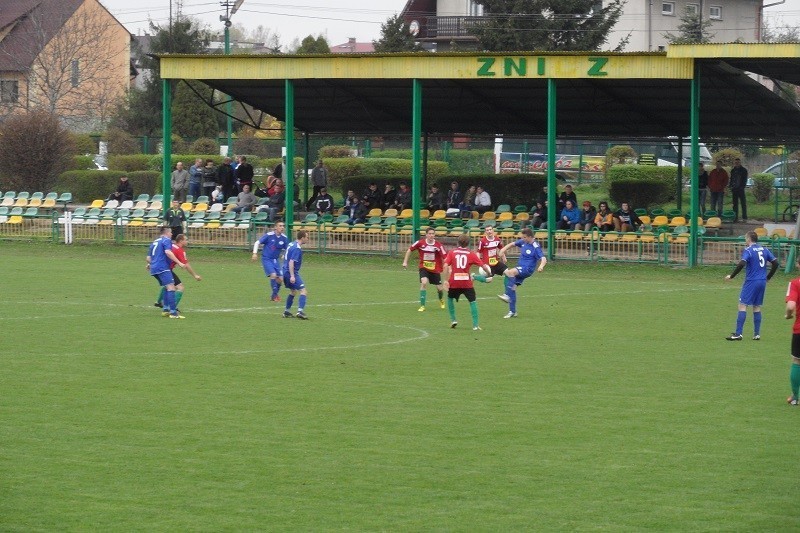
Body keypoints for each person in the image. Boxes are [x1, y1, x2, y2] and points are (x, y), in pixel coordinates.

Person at [724, 231, 778, 341]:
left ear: (748, 239)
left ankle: (738, 334)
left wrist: (732, 276)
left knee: (742, 305)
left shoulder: (748, 250)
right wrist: (768, 277)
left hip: (751, 281)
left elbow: (742, 263)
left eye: (745, 238)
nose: (745, 240)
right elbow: (776, 263)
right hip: (762, 281)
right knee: (757, 306)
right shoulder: (764, 249)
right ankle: (756, 334)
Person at [442, 233, 491, 331]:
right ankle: (475, 325)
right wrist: (488, 273)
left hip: (454, 282)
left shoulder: (452, 252)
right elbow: (483, 266)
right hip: (466, 283)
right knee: (472, 302)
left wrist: (445, 280)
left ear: (457, 242)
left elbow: (445, 266)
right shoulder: (471, 254)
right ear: (468, 244)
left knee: (450, 298)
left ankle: (453, 320)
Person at [497, 227, 547, 318]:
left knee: (509, 272)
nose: (522, 239)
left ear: (530, 237)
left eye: (524, 237)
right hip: (520, 268)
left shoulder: (535, 246)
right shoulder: (524, 242)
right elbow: (512, 244)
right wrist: (503, 250)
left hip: (527, 269)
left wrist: (541, 266)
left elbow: (543, 258)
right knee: (512, 287)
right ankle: (512, 312)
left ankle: (507, 295)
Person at [402, 227, 447, 312]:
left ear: (434, 235)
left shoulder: (438, 245)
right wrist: (405, 262)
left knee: (439, 288)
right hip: (424, 267)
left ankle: (441, 300)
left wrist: (447, 266)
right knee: (424, 282)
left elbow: (445, 257)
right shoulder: (420, 243)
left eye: (432, 234)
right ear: (426, 235)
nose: (431, 235)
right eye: (429, 234)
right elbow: (409, 250)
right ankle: (422, 306)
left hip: (435, 269)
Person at [146, 226, 187, 319]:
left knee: (167, 287)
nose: (172, 234)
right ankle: (173, 313)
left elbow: (148, 258)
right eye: (171, 232)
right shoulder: (166, 240)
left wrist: (151, 264)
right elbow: (168, 252)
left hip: (154, 268)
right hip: (163, 268)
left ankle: (165, 310)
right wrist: (179, 262)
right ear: (166, 233)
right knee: (171, 288)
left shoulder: (155, 242)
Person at [154, 233, 202, 312]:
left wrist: (150, 263)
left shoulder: (171, 246)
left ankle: (159, 302)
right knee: (180, 287)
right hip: (166, 269)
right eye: (186, 240)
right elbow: (186, 265)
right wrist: (195, 275)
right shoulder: (179, 250)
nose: (187, 241)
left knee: (168, 285)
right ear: (181, 241)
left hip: (158, 268)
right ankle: (172, 307)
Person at [252, 221, 289, 302]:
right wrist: (255, 253)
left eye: (283, 226)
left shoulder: (284, 238)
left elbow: (288, 249)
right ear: (275, 227)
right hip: (266, 258)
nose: (282, 227)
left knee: (280, 279)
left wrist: (284, 254)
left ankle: (273, 295)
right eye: (280, 226)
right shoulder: (269, 236)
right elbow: (257, 243)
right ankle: (275, 296)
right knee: (273, 274)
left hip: (276, 260)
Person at [783, 255, 800, 405]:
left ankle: (795, 396)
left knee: (797, 360)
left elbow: (790, 306)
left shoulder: (795, 283)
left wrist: (788, 315)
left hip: (799, 330)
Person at [282, 230, 309, 319]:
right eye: (307, 237)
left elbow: (285, 256)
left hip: (285, 272)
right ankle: (300, 311)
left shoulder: (291, 244)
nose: (308, 239)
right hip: (291, 272)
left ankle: (286, 311)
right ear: (302, 238)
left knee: (293, 291)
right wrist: (292, 275)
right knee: (303, 291)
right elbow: (291, 262)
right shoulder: (297, 248)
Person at [730, 157, 748, 222]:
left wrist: (742, 187)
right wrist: (731, 186)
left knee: (743, 203)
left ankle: (744, 217)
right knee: (735, 204)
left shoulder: (744, 170)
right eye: (735, 163)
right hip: (734, 189)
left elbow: (744, 180)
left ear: (740, 163)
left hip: (740, 189)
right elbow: (731, 179)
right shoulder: (733, 170)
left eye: (738, 162)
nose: (736, 164)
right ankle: (735, 217)